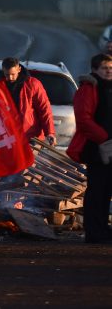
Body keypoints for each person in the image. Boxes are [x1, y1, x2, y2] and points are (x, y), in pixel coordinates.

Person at [67, 53, 112, 243]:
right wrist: (104, 138)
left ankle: (103, 229)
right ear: (95, 70)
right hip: (96, 148)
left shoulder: (109, 88)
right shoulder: (89, 88)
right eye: (105, 68)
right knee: (97, 190)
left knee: (107, 191)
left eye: (111, 68)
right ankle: (94, 232)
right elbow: (83, 119)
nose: (109, 71)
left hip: (109, 146)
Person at [1, 57, 56, 146]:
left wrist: (49, 132)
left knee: (30, 160)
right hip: (9, 137)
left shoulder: (33, 84)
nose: (10, 77)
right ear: (3, 71)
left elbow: (44, 109)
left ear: (19, 69)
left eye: (13, 74)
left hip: (31, 137)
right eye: (7, 75)